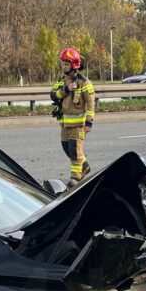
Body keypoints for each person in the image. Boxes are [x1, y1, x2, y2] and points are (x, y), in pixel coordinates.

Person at [51, 47, 95, 186]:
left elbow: (90, 103)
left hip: (79, 125)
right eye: (62, 63)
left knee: (75, 152)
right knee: (66, 148)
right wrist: (65, 90)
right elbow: (53, 95)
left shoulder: (84, 82)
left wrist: (89, 122)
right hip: (65, 124)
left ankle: (75, 178)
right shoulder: (62, 80)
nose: (63, 66)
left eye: (66, 64)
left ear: (74, 65)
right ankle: (85, 166)